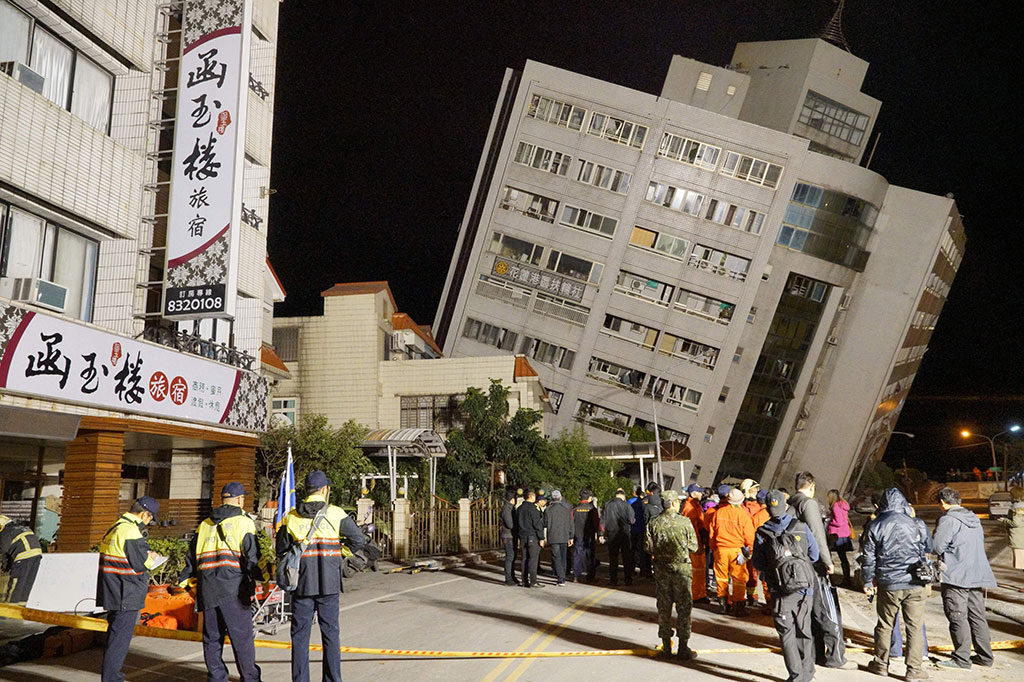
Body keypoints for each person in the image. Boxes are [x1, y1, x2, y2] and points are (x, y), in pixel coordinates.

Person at [277, 470, 366, 682]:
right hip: (329, 584)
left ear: (307, 490)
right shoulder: (336, 514)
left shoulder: (292, 516)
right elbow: (359, 540)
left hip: (301, 584)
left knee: (300, 636)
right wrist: (339, 553)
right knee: (330, 635)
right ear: (325, 489)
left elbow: (280, 548)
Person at [178, 482, 265, 682]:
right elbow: (252, 557)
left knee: (212, 638)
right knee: (241, 639)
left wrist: (185, 583)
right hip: (234, 590)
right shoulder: (244, 523)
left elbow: (191, 559)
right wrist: (262, 578)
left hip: (208, 589)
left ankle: (216, 677)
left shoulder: (204, 525)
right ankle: (250, 678)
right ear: (239, 499)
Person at [860, 488, 931, 680]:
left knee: (885, 625)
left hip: (888, 583)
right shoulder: (916, 523)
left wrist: (867, 580)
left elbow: (868, 558)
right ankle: (914, 670)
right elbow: (928, 547)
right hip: (915, 581)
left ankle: (881, 665)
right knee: (914, 626)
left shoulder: (876, 525)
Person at [752, 490, 819, 682]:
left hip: (780, 592)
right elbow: (814, 555)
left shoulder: (762, 533)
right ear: (785, 505)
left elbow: (758, 563)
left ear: (767, 509)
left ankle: (796, 676)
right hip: (805, 589)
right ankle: (808, 675)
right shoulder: (801, 526)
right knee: (804, 631)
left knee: (787, 634)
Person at [789, 472, 852, 669]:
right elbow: (817, 533)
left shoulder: (790, 503)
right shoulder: (808, 504)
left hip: (797, 565)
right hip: (814, 565)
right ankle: (835, 657)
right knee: (827, 610)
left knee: (810, 612)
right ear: (811, 486)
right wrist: (827, 561)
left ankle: (816, 653)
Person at [97, 496, 161, 682]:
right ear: (144, 514)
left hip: (113, 589)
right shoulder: (131, 531)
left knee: (114, 637)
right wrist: (152, 558)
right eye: (150, 518)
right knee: (119, 641)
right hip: (126, 591)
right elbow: (140, 564)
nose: (148, 523)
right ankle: (112, 678)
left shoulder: (115, 527)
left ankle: (111, 677)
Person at [932, 487, 996, 669]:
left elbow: (937, 546)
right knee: (977, 616)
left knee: (957, 616)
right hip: (976, 573)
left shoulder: (948, 520)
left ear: (943, 503)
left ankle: (961, 659)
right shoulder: (973, 518)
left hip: (956, 575)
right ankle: (985, 656)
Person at [646, 489, 699, 661]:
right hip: (681, 571)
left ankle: (667, 648)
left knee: (664, 609)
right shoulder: (684, 522)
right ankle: (683, 648)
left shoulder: (653, 523)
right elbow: (694, 547)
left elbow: (648, 547)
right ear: (674, 503)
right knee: (684, 609)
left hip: (662, 571)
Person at [709, 488, 755, 615]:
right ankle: (738, 606)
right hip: (737, 551)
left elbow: (712, 532)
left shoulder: (719, 512)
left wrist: (713, 547)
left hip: (721, 550)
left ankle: (723, 604)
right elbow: (749, 536)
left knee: (721, 577)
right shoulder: (743, 515)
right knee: (739, 578)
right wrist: (750, 550)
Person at [0, 514, 42, 605]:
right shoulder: (20, 528)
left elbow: (2, 549)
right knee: (26, 584)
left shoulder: (6, 531)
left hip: (23, 556)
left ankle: (10, 609)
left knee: (16, 584)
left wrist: (4, 567)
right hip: (37, 555)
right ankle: (21, 607)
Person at [741, 479, 770, 606]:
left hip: (755, 545)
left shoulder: (757, 509)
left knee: (757, 573)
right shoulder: (744, 508)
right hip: (752, 544)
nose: (755, 493)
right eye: (753, 491)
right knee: (752, 574)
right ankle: (753, 597)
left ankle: (756, 598)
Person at [602, 488, 635, 585]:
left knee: (613, 558)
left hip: (612, 534)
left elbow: (603, 520)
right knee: (626, 557)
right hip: (625, 534)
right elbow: (632, 520)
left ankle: (613, 580)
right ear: (623, 496)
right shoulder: (627, 505)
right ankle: (628, 580)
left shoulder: (607, 505)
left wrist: (600, 533)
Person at [681, 484, 707, 603]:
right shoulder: (690, 507)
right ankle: (696, 595)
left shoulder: (695, 505)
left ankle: (699, 593)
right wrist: (697, 544)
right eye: (699, 492)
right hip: (695, 543)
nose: (701, 494)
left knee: (699, 570)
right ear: (693, 493)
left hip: (697, 541)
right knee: (696, 570)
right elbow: (692, 529)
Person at [826, 489, 854, 586]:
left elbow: (838, 522)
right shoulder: (843, 504)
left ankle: (833, 577)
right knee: (843, 558)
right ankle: (847, 578)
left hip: (837, 535)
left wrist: (830, 521)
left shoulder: (835, 506)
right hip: (844, 534)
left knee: (830, 555)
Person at [517, 490, 544, 588]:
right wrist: (541, 538)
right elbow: (537, 524)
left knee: (524, 558)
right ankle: (533, 581)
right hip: (532, 536)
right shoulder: (533, 508)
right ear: (531, 496)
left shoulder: (519, 509)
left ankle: (524, 580)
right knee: (533, 559)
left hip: (523, 536)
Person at [545, 490, 573, 586]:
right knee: (563, 557)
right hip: (564, 535)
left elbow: (545, 522)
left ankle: (560, 577)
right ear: (560, 498)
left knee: (556, 557)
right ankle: (562, 576)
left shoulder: (548, 510)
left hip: (553, 536)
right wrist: (571, 536)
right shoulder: (566, 509)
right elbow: (571, 523)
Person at [572, 489, 600, 582]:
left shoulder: (575, 509)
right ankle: (590, 576)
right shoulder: (593, 509)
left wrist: (571, 535)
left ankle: (576, 576)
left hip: (578, 535)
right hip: (589, 535)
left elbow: (571, 523)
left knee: (577, 554)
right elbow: (596, 523)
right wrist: (599, 534)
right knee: (590, 555)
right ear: (590, 498)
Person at [1003, 486, 1024, 574]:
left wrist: (1004, 520)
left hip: (1020, 538)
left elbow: (1016, 523)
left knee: (1022, 563)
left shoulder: (1017, 507)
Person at [499, 489, 518, 586]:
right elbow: (509, 524)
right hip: (507, 536)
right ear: (512, 499)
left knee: (513, 556)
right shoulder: (507, 509)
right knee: (509, 557)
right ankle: (508, 578)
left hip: (511, 535)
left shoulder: (511, 508)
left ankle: (512, 576)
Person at [629, 486, 646, 580]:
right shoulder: (643, 502)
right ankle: (643, 569)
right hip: (642, 528)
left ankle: (632, 569)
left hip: (632, 529)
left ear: (634, 492)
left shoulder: (629, 502)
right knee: (642, 550)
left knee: (632, 549)